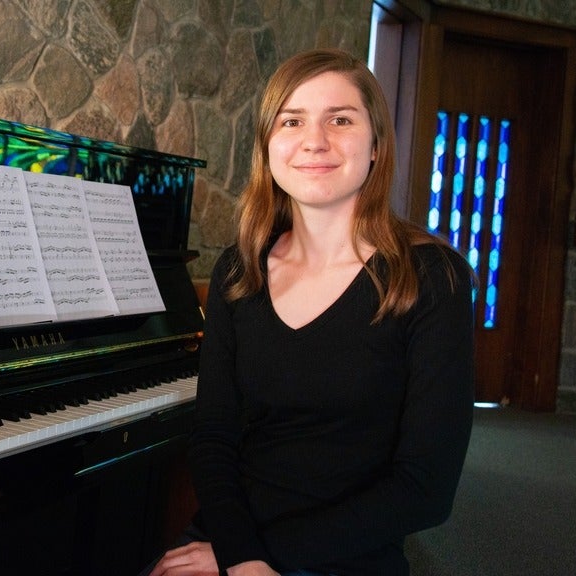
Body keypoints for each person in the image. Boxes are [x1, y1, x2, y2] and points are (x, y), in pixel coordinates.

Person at [147, 48, 475, 576]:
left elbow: (425, 490)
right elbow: (213, 437)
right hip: (229, 539)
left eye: (340, 120)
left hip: (344, 552)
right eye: (292, 120)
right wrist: (239, 553)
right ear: (269, 147)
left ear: (375, 146)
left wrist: (262, 559)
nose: (314, 140)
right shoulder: (240, 269)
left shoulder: (434, 277)